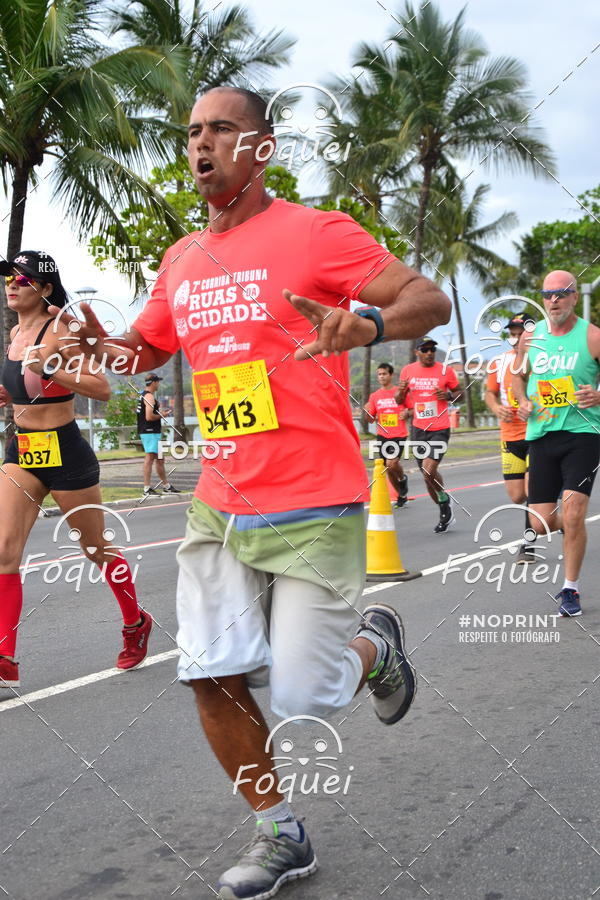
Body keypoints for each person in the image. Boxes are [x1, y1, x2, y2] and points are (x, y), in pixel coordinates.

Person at [53, 86, 451, 899]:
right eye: (192, 132)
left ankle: (378, 645)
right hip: (222, 499)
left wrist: (366, 327)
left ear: (262, 146)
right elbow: (143, 352)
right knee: (209, 673)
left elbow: (427, 299)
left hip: (315, 495)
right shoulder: (182, 259)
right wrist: (105, 347)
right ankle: (281, 833)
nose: (201, 143)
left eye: (222, 129)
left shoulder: (314, 233)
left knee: (307, 696)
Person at [0, 251, 153, 690]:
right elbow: (23, 388)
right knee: (4, 551)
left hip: (65, 452)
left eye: (22, 279)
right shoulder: (15, 332)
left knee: (96, 549)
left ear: (45, 289)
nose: (12, 284)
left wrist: (48, 367)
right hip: (22, 450)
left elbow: (100, 388)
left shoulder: (63, 329)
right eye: (10, 277)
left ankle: (135, 622)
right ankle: (4, 657)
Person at [512, 270, 600, 617]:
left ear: (574, 297)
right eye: (548, 294)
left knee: (575, 512)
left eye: (562, 294)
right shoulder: (531, 339)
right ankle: (573, 531)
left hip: (583, 435)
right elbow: (518, 377)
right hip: (541, 435)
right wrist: (521, 401)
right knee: (541, 523)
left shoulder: (592, 337)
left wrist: (598, 394)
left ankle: (570, 589)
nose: (554, 300)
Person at [485, 314, 537, 563]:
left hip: (537, 432)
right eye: (513, 332)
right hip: (509, 434)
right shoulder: (497, 362)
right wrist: (496, 409)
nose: (516, 337)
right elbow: (489, 394)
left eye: (521, 332)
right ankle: (547, 507)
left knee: (531, 488)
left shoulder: (541, 359)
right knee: (517, 496)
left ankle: (529, 543)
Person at [396, 337, 461, 533]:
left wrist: (449, 396)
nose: (430, 352)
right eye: (425, 349)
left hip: (440, 427)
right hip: (418, 428)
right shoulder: (407, 371)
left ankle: (443, 502)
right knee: (427, 476)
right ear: (417, 352)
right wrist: (401, 391)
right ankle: (443, 503)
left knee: (428, 468)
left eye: (432, 349)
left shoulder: (445, 371)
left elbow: (460, 393)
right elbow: (399, 399)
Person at [366, 363, 410, 507]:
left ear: (391, 375)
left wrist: (407, 413)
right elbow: (370, 418)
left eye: (384, 373)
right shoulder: (375, 396)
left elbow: (412, 409)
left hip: (399, 434)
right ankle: (401, 496)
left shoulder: (400, 392)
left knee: (392, 463)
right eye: (379, 374)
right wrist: (366, 412)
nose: (382, 376)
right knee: (388, 468)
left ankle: (403, 479)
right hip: (382, 435)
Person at [136, 372, 180, 496]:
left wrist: (159, 411)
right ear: (154, 382)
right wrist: (163, 415)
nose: (159, 384)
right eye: (158, 382)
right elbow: (149, 417)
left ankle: (166, 486)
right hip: (149, 431)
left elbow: (149, 412)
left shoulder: (146, 396)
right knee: (150, 458)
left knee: (160, 459)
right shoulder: (149, 397)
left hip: (152, 431)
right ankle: (146, 489)